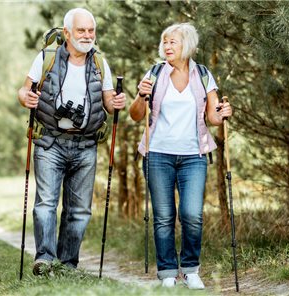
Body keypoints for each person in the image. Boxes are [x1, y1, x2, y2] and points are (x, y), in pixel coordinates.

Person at [17, 8, 126, 276]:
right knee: (46, 205)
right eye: (81, 30)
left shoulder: (100, 62)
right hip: (49, 143)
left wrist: (116, 102)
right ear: (67, 32)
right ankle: (44, 259)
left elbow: (109, 101)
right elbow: (24, 89)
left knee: (79, 211)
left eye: (91, 30)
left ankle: (67, 265)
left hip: (86, 145)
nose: (87, 35)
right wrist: (25, 98)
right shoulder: (47, 57)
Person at [129, 23, 233, 289]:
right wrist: (141, 96)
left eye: (172, 42)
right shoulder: (153, 73)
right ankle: (166, 273)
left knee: (192, 214)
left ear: (186, 45)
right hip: (158, 154)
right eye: (165, 42)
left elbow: (212, 117)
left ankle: (190, 269)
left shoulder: (203, 74)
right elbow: (136, 114)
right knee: (163, 216)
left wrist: (222, 114)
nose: (167, 47)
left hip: (192, 156)